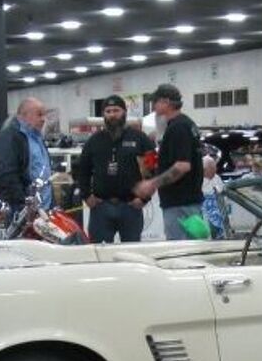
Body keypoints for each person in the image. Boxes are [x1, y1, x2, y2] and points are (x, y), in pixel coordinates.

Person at [77, 95, 155, 243]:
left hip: (131, 207)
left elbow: (153, 168)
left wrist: (144, 198)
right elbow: (82, 171)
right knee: (99, 253)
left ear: (124, 112)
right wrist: (86, 195)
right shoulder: (93, 141)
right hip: (101, 208)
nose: (112, 115)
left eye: (116, 110)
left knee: (131, 252)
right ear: (103, 114)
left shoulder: (140, 138)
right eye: (108, 111)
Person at [134, 83, 204, 240]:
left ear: (166, 102)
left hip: (180, 204)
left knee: (180, 249)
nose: (153, 107)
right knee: (192, 246)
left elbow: (182, 166)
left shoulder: (178, 127)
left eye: (155, 102)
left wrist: (152, 184)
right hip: (187, 202)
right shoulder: (186, 124)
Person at [0, 97, 52, 213]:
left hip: (42, 209)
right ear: (24, 115)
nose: (43, 119)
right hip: (21, 210)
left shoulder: (38, 138)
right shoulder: (10, 137)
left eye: (44, 115)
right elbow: (6, 174)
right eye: (39, 114)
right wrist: (24, 205)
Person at [201, 155, 225, 239]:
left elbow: (221, 191)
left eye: (215, 168)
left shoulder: (217, 178)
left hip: (217, 206)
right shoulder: (197, 179)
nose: (215, 170)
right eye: (211, 168)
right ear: (204, 169)